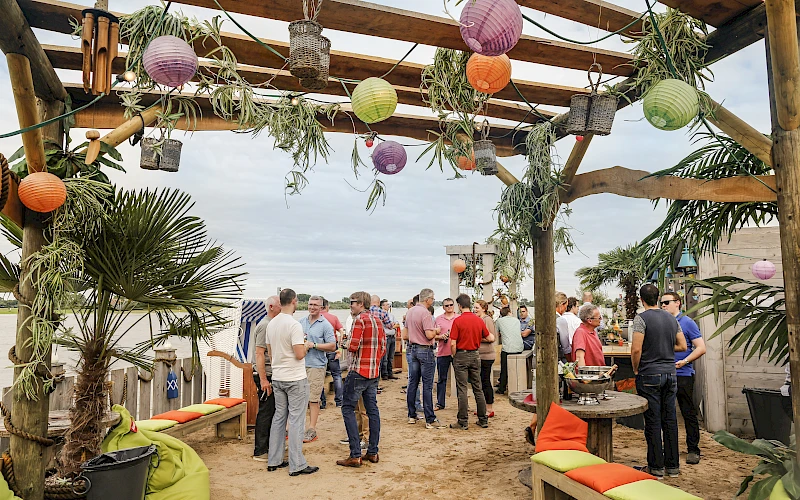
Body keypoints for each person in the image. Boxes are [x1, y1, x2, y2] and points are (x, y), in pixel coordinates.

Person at [631, 284, 687, 479]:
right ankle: (673, 467)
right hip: (670, 374)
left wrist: (636, 368)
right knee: (670, 420)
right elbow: (682, 345)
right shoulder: (672, 319)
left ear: (642, 299)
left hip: (649, 374)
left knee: (653, 421)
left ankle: (656, 467)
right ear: (657, 298)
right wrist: (663, 345)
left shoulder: (641, 319)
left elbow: (636, 349)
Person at [266, 288, 318, 476]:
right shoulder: (294, 325)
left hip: (278, 376)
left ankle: (274, 459)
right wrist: (305, 346)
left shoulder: (271, 324)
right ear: (294, 301)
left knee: (279, 417)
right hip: (295, 377)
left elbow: (270, 353)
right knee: (296, 420)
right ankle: (297, 464)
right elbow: (298, 354)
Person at [337, 291, 386, 468]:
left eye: (353, 302)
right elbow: (383, 348)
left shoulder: (360, 320)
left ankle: (355, 454)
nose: (350, 305)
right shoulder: (378, 321)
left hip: (358, 371)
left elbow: (353, 346)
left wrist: (343, 342)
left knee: (347, 408)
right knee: (372, 410)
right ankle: (373, 451)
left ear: (361, 304)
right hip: (373, 372)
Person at [661, 291, 706, 465]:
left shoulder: (687, 322)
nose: (663, 305)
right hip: (664, 373)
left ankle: (693, 449)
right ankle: (669, 449)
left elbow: (701, 347)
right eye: (661, 303)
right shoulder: (663, 323)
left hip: (683, 375)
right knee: (666, 413)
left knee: (688, 412)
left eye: (666, 302)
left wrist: (684, 361)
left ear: (677, 303)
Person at [449, 293, 493, 430]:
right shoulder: (479, 320)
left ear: (460, 306)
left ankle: (463, 421)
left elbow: (452, 343)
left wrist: (454, 355)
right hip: (475, 354)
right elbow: (490, 336)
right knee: (477, 388)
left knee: (462, 389)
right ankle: (483, 419)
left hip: (461, 354)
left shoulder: (457, 321)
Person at [405, 288, 445, 429]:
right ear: (428, 299)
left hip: (413, 349)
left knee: (413, 382)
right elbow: (429, 335)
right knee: (427, 386)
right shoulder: (426, 314)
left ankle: (412, 414)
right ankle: (430, 419)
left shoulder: (410, 312)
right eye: (432, 298)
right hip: (425, 349)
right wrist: (437, 330)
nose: (433, 301)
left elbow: (405, 335)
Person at [299, 296, 337, 443]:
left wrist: (313, 345)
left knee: (313, 399)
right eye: (310, 304)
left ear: (321, 308)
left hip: (316, 365)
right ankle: (294, 428)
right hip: (300, 365)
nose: (312, 307)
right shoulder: (301, 322)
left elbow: (332, 346)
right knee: (299, 398)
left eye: (316, 305)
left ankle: (312, 429)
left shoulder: (325, 325)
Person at [252, 295, 280, 461]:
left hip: (271, 374)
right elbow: (259, 354)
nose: (281, 308)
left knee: (272, 411)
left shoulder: (272, 325)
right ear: (271, 306)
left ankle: (269, 446)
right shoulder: (264, 326)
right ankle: (260, 450)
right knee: (265, 411)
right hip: (265, 375)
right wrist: (263, 380)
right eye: (279, 305)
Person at [434, 297, 459, 410]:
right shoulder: (438, 319)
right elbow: (432, 336)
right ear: (443, 307)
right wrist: (441, 336)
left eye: (451, 305)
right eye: (447, 305)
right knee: (441, 379)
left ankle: (462, 403)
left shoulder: (459, 318)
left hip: (457, 352)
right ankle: (440, 402)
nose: (449, 307)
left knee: (460, 379)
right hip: (442, 352)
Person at [321, 297, 345, 408]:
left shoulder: (313, 318)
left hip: (319, 349)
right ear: (326, 306)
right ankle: (339, 401)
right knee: (337, 375)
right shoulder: (333, 318)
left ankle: (322, 402)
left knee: (319, 375)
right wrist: (339, 347)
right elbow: (341, 331)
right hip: (332, 347)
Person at [475, 300, 497, 417]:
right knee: (479, 382)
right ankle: (482, 408)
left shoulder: (487, 320)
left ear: (483, 308)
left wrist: (476, 339)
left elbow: (491, 337)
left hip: (487, 355)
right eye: (474, 307)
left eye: (477, 307)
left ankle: (489, 408)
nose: (475, 309)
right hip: (478, 355)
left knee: (485, 381)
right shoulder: (478, 320)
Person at [402, 295, 423, 417]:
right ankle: (416, 404)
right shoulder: (413, 316)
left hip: (412, 349)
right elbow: (405, 336)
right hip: (414, 349)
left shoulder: (410, 316)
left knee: (414, 380)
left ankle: (414, 407)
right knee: (415, 380)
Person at [495, 306, 522, 395]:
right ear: (509, 312)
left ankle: (502, 388)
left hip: (507, 349)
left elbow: (497, 333)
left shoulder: (499, 321)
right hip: (519, 348)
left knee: (504, 369)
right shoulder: (517, 320)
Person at [380, 299, 400, 380]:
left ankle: (390, 373)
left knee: (391, 357)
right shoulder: (381, 315)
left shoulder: (391, 315)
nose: (388, 306)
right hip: (386, 337)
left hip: (392, 337)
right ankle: (384, 374)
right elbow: (387, 326)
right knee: (385, 357)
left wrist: (392, 326)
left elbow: (397, 324)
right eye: (387, 304)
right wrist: (392, 325)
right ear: (383, 306)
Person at [554, 292, 570, 361]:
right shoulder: (560, 320)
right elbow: (565, 345)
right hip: (554, 357)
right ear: (561, 305)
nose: (566, 309)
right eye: (566, 306)